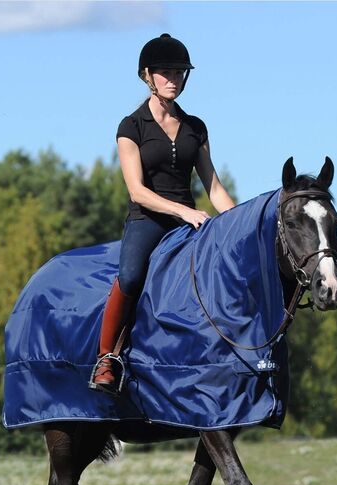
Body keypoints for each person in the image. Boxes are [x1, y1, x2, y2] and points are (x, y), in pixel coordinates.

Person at [90, 33, 235, 395]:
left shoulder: (196, 127)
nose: (172, 78)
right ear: (147, 76)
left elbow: (214, 187)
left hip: (191, 222)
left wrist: (238, 224)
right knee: (131, 273)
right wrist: (184, 211)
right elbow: (137, 191)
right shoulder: (131, 126)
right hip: (149, 220)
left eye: (179, 72)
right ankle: (107, 358)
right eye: (164, 72)